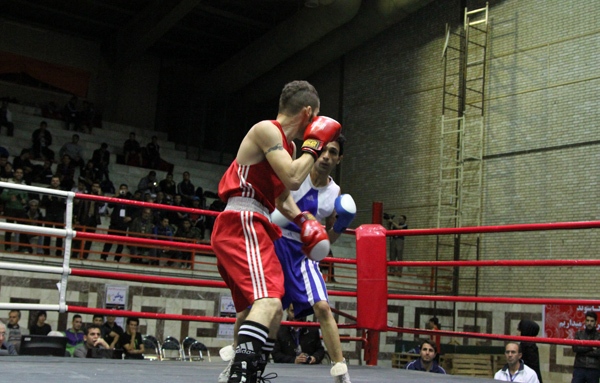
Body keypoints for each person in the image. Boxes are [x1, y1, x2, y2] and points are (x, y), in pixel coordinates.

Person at [212, 80, 340, 383]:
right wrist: (315, 143)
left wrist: (304, 220)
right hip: (242, 219)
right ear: (309, 113)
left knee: (274, 310)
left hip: (258, 222)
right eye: (316, 118)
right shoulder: (266, 130)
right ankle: (239, 377)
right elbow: (296, 178)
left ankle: (250, 372)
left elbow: (283, 197)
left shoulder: (289, 147)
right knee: (269, 301)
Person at [252, 135, 354, 383]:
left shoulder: (335, 193)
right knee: (267, 310)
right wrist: (299, 219)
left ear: (339, 159)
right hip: (276, 243)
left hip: (303, 253)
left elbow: (326, 240)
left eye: (333, 152)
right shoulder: (296, 174)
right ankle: (245, 364)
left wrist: (340, 226)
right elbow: (277, 202)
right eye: (323, 151)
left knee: (321, 306)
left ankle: (341, 370)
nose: (326, 156)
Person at [101, 184, 133, 262]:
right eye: (121, 189)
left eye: (124, 189)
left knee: (120, 243)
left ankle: (117, 258)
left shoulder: (130, 199)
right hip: (114, 223)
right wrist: (115, 196)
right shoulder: (117, 198)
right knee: (109, 241)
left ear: (127, 190)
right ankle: (103, 257)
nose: (123, 190)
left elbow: (134, 209)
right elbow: (110, 205)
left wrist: (130, 217)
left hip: (123, 223)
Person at [1, 167, 28, 251]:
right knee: (9, 229)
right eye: (17, 172)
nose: (19, 174)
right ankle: (7, 247)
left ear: (23, 175)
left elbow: (27, 198)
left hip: (21, 210)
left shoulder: (24, 185)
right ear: (14, 173)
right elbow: (2, 196)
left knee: (23, 229)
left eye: (21, 173)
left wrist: (24, 200)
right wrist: (10, 197)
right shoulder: (9, 183)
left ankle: (22, 248)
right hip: (10, 209)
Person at [572, 311, 600, 383]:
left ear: (595, 323)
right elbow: (575, 348)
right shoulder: (579, 334)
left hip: (593, 368)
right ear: (584, 321)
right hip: (579, 367)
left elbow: (598, 352)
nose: (589, 323)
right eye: (587, 320)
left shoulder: (599, 336)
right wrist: (591, 347)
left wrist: (582, 350)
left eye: (591, 321)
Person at [41, 176, 66, 256]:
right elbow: (43, 203)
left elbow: (66, 205)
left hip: (59, 215)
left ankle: (58, 252)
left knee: (59, 235)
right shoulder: (47, 190)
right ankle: (46, 251)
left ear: (59, 182)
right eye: (53, 181)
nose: (55, 182)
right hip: (49, 214)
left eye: (56, 181)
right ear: (51, 182)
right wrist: (49, 199)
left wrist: (60, 199)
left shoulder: (63, 191)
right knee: (48, 233)